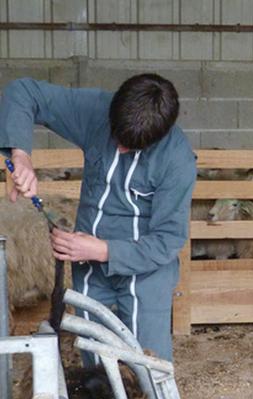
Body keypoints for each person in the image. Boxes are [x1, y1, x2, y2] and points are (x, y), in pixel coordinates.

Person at [0, 74, 196, 361]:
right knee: (93, 357)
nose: (120, 149)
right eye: (117, 137)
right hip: (89, 268)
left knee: (148, 363)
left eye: (132, 146)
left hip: (146, 273)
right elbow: (24, 91)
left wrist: (102, 249)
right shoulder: (96, 110)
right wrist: (21, 156)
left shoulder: (177, 160)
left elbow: (167, 240)